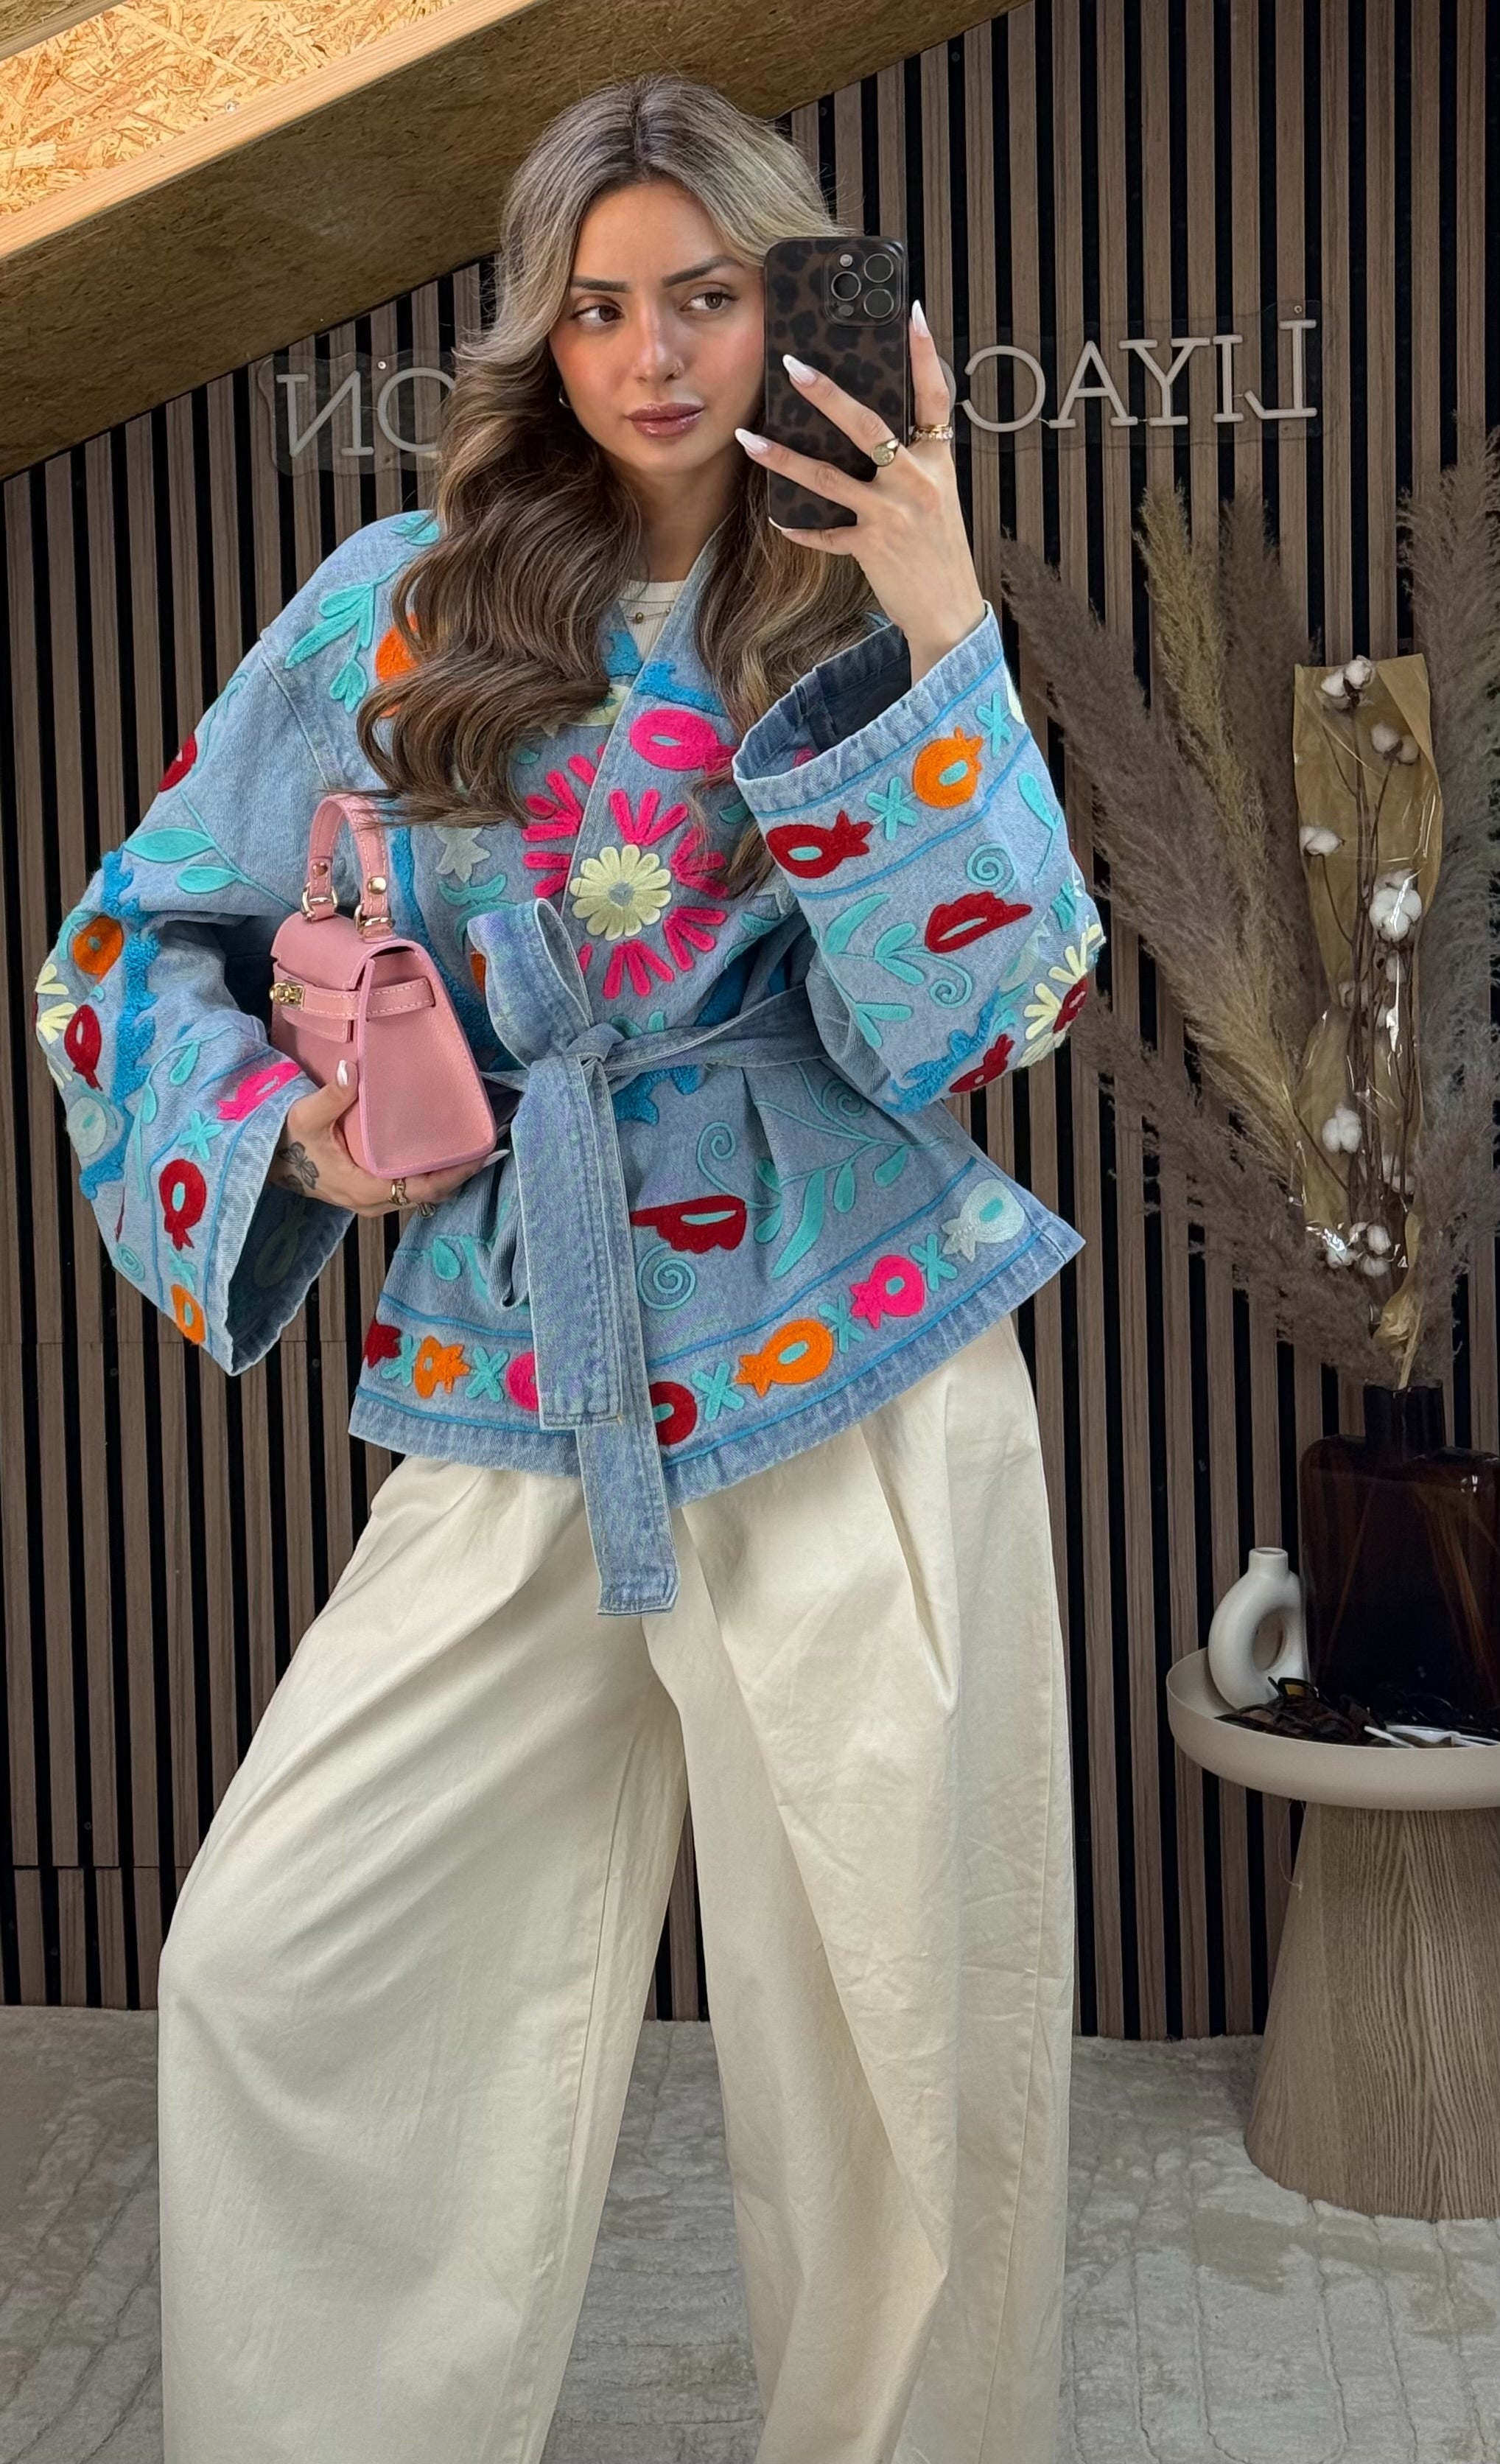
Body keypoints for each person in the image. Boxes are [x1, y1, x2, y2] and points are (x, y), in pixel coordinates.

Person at [35, 69, 1104, 2464]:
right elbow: (128, 946)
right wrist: (291, 1128)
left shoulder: (853, 598)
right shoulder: (395, 607)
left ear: (785, 304)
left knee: (899, 2057)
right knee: (276, 1962)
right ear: (540, 331)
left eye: (704, 297)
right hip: (519, 1367)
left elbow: (991, 1019)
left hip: (852, 1371)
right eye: (600, 307)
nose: (654, 357)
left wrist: (940, 614)